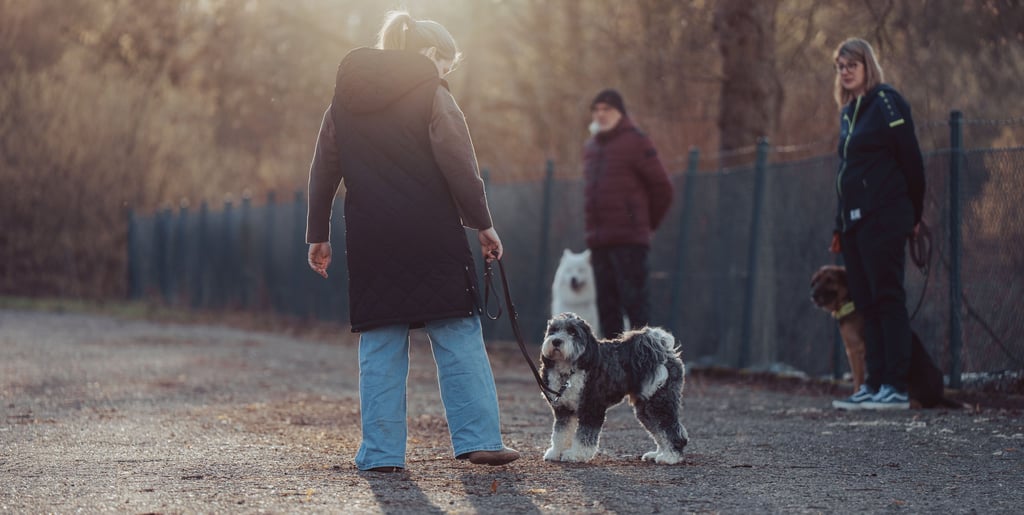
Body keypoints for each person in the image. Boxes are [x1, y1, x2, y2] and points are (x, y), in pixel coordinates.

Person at [305, 10, 519, 471]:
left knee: (381, 338)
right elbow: (460, 164)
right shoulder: (432, 94)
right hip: (431, 232)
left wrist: (318, 234)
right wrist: (483, 223)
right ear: (427, 55)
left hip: (370, 237)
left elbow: (323, 168)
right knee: (457, 330)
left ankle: (381, 453)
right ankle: (479, 438)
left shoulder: (344, 100)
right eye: (446, 63)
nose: (446, 73)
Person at [828, 38, 926, 410]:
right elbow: (845, 173)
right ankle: (872, 383)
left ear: (868, 65)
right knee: (865, 302)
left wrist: (913, 215)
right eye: (840, 66)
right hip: (853, 224)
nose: (846, 71)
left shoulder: (887, 102)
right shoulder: (850, 112)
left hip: (885, 217)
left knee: (888, 298)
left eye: (852, 64)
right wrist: (839, 226)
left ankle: (895, 387)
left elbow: (912, 161)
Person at [583, 89, 673, 339]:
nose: (601, 115)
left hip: (630, 242)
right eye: (597, 109)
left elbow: (663, 188)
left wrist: (645, 226)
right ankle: (613, 370)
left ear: (620, 113)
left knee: (636, 307)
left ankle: (644, 365)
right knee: (607, 309)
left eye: (607, 109)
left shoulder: (636, 141)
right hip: (599, 242)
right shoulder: (591, 147)